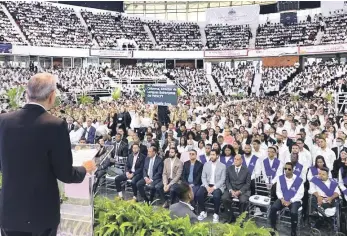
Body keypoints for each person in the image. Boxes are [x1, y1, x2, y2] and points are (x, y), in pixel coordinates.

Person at [0, 73, 96, 236]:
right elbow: (65, 174)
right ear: (52, 96)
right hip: (41, 215)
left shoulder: (3, 121)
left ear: (27, 93)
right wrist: (84, 169)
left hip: (9, 212)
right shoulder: (56, 125)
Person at [269, 162, 304, 236]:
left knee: (294, 212)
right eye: (285, 169)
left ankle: (293, 231)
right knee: (273, 208)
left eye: (289, 169)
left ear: (293, 170)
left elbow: (300, 194)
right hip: (283, 199)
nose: (287, 170)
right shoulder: (280, 178)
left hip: (294, 200)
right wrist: (281, 199)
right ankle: (273, 227)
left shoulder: (299, 180)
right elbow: (278, 191)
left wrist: (291, 201)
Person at [196, 149, 226, 223]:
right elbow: (203, 177)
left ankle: (216, 214)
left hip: (218, 185)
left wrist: (214, 188)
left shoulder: (223, 166)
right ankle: (203, 211)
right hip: (207, 184)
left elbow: (222, 180)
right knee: (199, 194)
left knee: (216, 196)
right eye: (211, 154)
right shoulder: (206, 164)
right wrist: (206, 186)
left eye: (213, 155)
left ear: (217, 156)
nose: (211, 156)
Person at [222, 154, 251, 223]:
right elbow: (227, 181)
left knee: (243, 201)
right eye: (235, 159)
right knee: (224, 198)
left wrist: (239, 191)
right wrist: (231, 190)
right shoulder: (229, 168)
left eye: (238, 159)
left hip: (242, 190)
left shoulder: (246, 170)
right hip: (231, 189)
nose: (236, 161)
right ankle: (231, 217)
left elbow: (248, 184)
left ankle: (241, 220)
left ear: (241, 161)